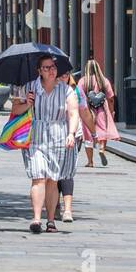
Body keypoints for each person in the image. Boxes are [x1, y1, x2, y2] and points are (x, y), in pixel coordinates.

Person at [10, 53, 80, 233]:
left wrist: (71, 133)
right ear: (39, 70)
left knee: (52, 179)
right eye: (47, 68)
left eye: (53, 67)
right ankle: (36, 218)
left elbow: (73, 113)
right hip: (36, 136)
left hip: (59, 136)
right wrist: (28, 104)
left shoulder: (66, 89)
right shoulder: (29, 88)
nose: (51, 71)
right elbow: (16, 110)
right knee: (39, 176)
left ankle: (50, 220)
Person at [56, 70, 97, 223]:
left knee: (67, 171)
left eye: (65, 74)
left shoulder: (75, 91)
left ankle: (67, 209)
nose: (62, 76)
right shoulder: (46, 89)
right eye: (60, 73)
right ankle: (54, 206)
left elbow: (84, 112)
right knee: (53, 173)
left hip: (73, 136)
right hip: (51, 136)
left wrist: (94, 134)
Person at [80, 58, 119, 167]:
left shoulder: (83, 81)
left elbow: (78, 96)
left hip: (88, 110)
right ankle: (102, 148)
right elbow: (111, 97)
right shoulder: (104, 80)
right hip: (103, 109)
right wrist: (111, 111)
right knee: (102, 129)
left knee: (88, 134)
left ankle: (90, 162)